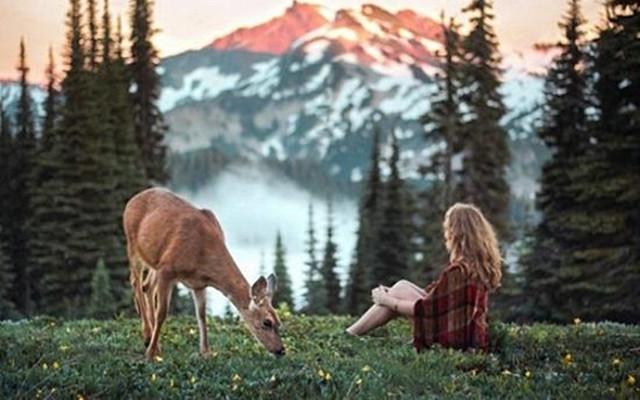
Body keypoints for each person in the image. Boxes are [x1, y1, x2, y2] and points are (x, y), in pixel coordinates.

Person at [346, 203, 502, 352]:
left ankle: (349, 335)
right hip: (467, 334)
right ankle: (351, 333)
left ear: (457, 232)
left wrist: (387, 301)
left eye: (448, 227)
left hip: (454, 340)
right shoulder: (477, 265)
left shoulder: (460, 270)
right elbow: (439, 300)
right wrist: (393, 294)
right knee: (402, 286)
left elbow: (427, 310)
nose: (446, 232)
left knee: (398, 291)